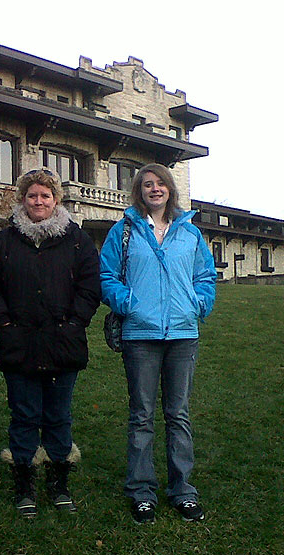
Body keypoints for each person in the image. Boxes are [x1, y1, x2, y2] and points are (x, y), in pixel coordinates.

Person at [0, 168, 100, 518]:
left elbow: (91, 286)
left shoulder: (77, 241)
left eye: (45, 195)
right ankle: (24, 483)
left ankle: (59, 483)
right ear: (23, 199)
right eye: (32, 195)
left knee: (59, 416)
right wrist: (5, 324)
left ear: (56, 199)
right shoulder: (3, 243)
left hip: (63, 344)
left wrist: (76, 322)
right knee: (25, 415)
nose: (39, 201)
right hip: (20, 344)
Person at [99, 163, 216, 524]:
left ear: (170, 189)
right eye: (147, 184)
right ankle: (142, 491)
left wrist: (198, 303)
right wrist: (127, 303)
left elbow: (206, 276)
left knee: (178, 414)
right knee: (141, 415)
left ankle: (182, 490)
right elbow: (105, 275)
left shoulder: (190, 233)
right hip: (141, 335)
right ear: (139, 191)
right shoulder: (124, 231)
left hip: (183, 334)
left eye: (160, 183)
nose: (154, 189)